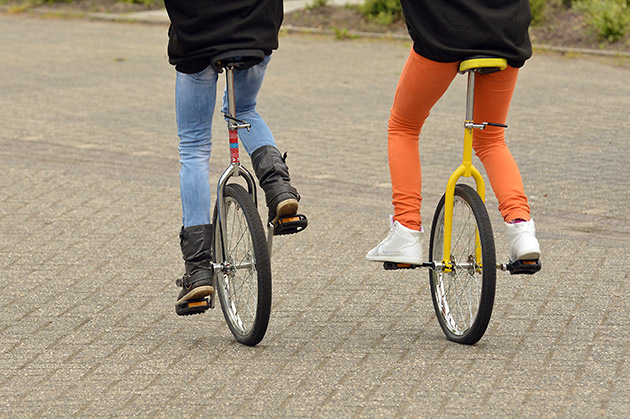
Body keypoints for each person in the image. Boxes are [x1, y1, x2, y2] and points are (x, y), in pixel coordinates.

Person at [366, 0, 541, 265]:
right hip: (504, 35)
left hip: (444, 34)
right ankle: (522, 229)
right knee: (491, 139)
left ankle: (406, 229)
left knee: (403, 126)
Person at [163, 0, 303, 315]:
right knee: (244, 109)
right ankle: (278, 187)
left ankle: (198, 271)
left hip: (199, 34)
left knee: (194, 146)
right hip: (254, 28)